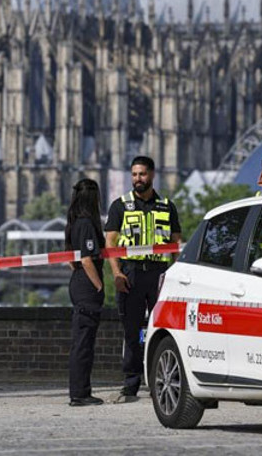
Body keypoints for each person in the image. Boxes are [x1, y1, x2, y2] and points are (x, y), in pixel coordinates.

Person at [105, 156, 181, 403]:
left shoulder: (167, 206)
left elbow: (176, 244)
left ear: (152, 175)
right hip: (131, 274)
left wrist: (176, 275)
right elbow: (111, 244)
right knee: (132, 330)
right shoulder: (119, 206)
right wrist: (117, 273)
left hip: (159, 274)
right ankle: (130, 385)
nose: (138, 179)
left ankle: (160, 379)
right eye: (135, 174)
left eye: (142, 174)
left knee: (163, 329)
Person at [65, 179, 106, 407]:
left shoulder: (72, 223)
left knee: (81, 340)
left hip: (77, 282)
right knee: (83, 343)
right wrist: (98, 284)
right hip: (87, 287)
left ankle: (81, 390)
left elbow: (71, 260)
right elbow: (86, 259)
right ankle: (80, 393)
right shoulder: (87, 224)